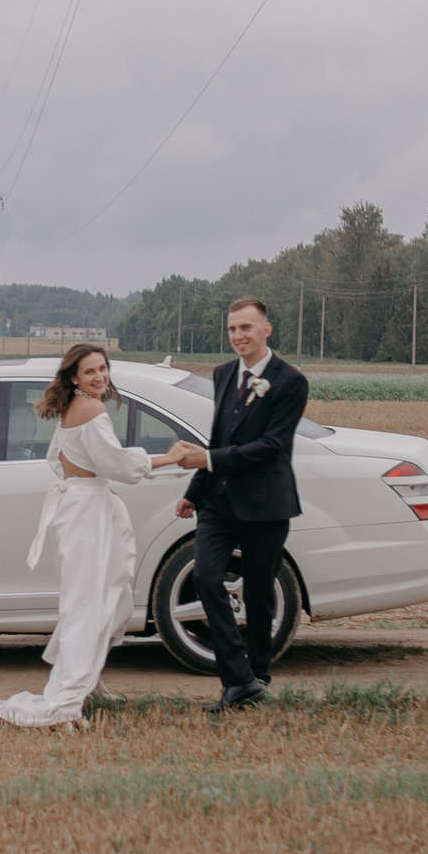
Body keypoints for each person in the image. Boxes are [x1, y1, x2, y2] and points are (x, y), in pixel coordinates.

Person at [0, 343, 186, 729]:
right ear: (75, 377)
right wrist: (170, 456)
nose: (100, 377)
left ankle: (85, 678)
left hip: (78, 508)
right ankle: (65, 699)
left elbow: (57, 461)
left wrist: (84, 487)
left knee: (102, 599)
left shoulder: (70, 410)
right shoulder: (92, 410)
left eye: (103, 369)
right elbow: (119, 466)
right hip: (87, 513)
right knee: (90, 605)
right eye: (90, 371)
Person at [170, 296, 307, 711]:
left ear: (267, 330)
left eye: (246, 328)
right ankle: (239, 678)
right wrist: (194, 490)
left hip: (266, 503)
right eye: (232, 329)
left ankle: (256, 678)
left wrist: (207, 460)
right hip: (218, 502)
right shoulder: (223, 373)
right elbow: (220, 437)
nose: (238, 336)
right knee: (208, 579)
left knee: (261, 595)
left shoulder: (291, 381)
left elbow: (270, 446)